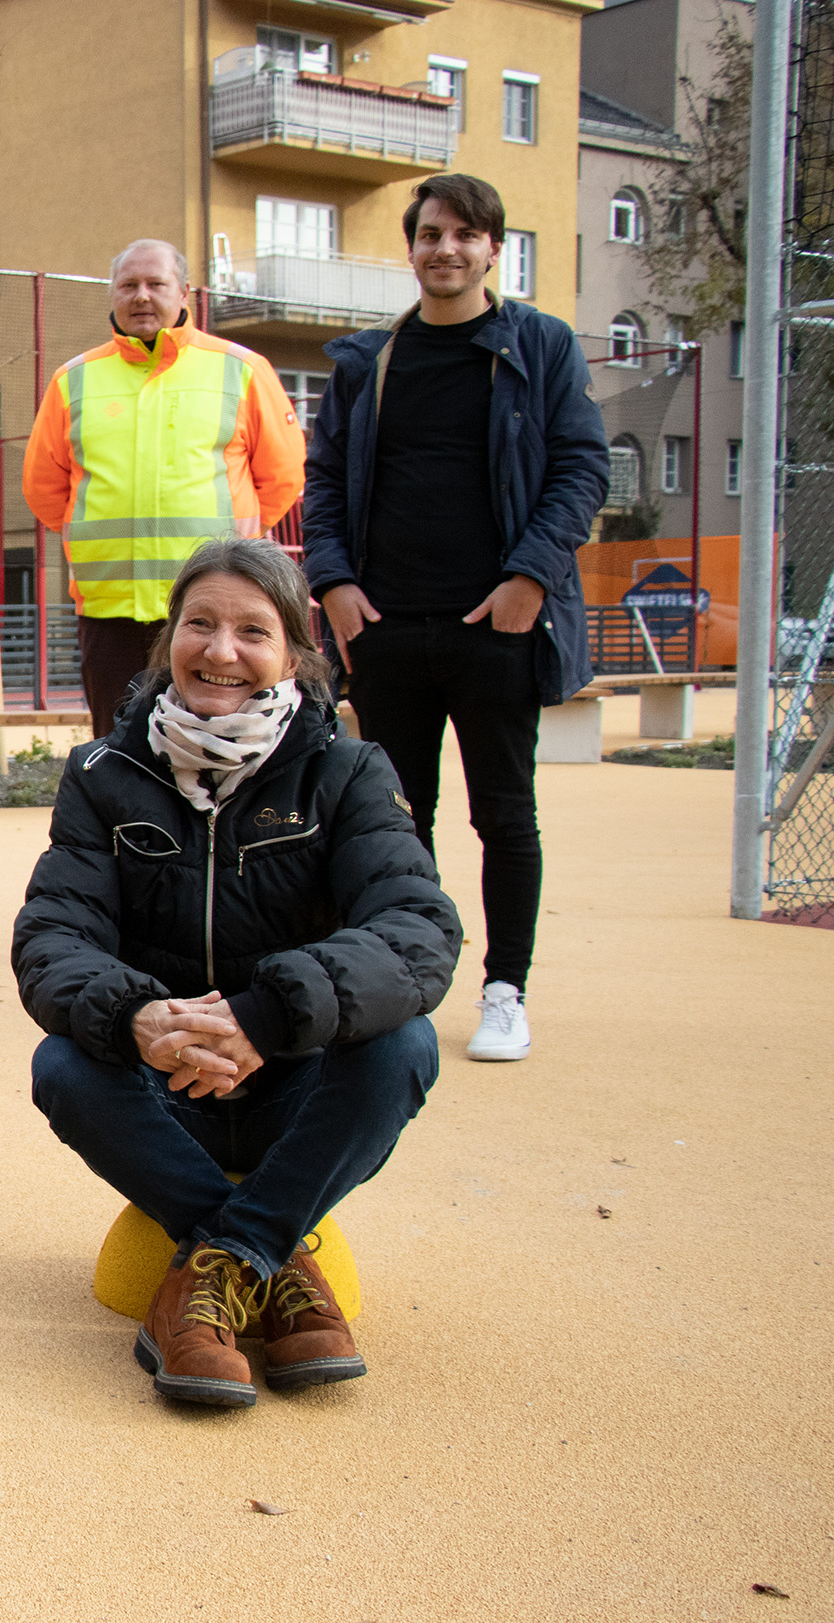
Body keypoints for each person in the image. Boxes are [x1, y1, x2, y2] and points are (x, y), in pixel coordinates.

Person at [14, 539, 459, 1409]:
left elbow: (418, 933)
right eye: (200, 624)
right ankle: (272, 1258)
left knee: (404, 1044)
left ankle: (225, 1259)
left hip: (295, 1088)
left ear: (294, 652)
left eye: (252, 630)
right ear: (168, 639)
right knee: (63, 1065)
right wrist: (142, 1017)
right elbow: (53, 939)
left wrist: (267, 1016)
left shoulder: (348, 772)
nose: (221, 651)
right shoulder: (105, 777)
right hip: (165, 1088)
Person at [302, 174, 608, 1064]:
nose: (446, 249)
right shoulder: (367, 360)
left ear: (492, 250)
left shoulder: (540, 347)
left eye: (465, 235)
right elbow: (322, 483)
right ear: (411, 247)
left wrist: (529, 579)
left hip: (498, 625)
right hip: (385, 627)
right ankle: (407, 979)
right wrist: (334, 586)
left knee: (505, 815)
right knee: (395, 820)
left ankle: (505, 989)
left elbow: (581, 470)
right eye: (431, 234)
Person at [23, 238, 305, 735]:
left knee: (221, 742)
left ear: (184, 292)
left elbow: (282, 478)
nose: (141, 296)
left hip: (217, 610)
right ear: (112, 294)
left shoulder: (241, 369)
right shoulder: (74, 380)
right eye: (128, 285)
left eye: (156, 284)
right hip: (111, 609)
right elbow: (44, 488)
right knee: (118, 749)